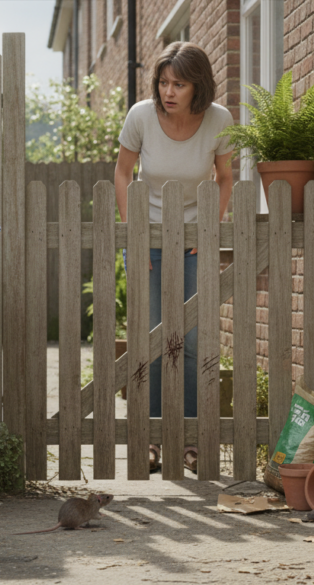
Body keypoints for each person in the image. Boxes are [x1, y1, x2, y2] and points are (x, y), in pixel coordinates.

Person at [114, 41, 234, 471]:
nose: (168, 91)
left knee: (192, 340)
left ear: (197, 86)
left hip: (193, 241)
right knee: (150, 336)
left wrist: (210, 228)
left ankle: (189, 441)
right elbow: (123, 172)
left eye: (178, 84)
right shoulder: (141, 116)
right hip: (147, 238)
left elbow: (224, 177)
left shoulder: (219, 120)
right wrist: (133, 235)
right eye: (164, 82)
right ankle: (149, 439)